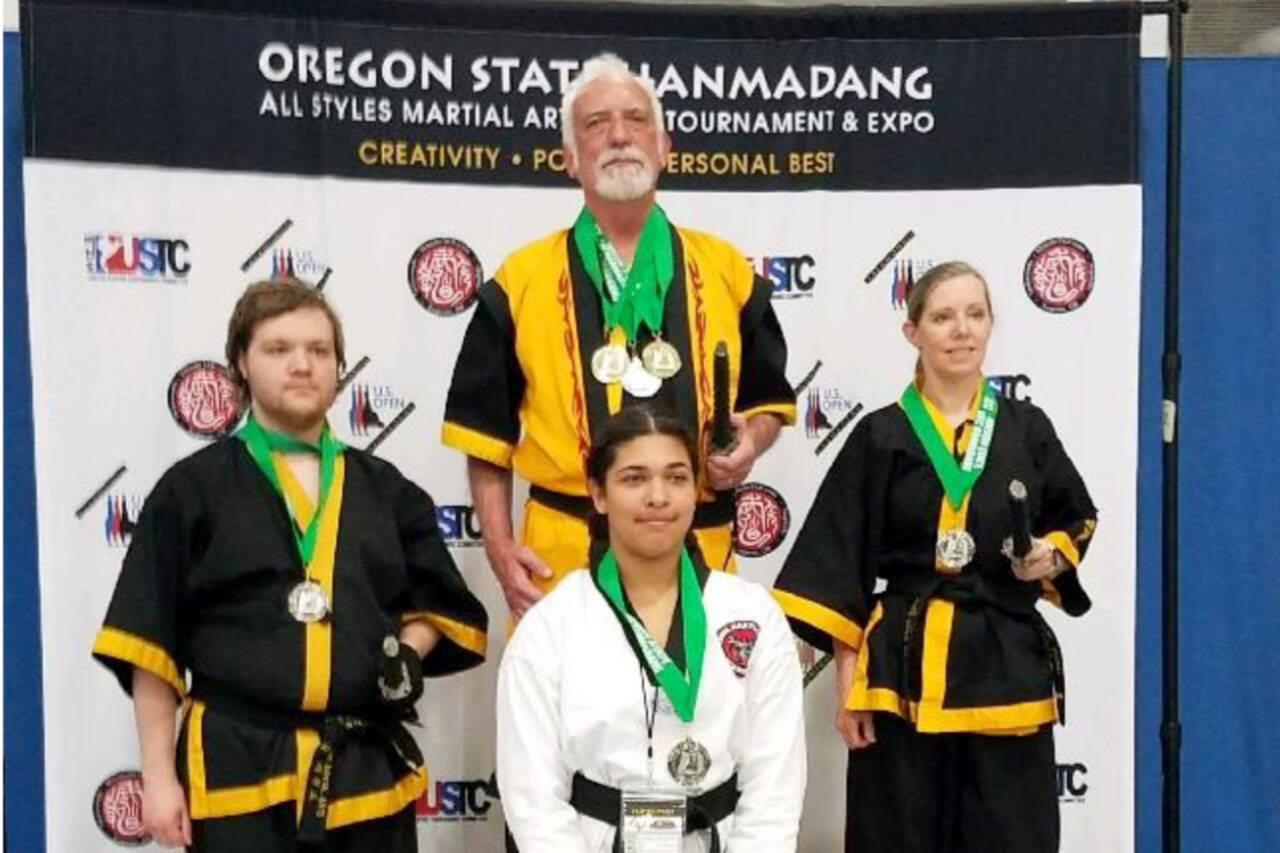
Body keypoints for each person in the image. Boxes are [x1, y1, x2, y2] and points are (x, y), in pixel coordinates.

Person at [92, 278, 489, 852]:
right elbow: (149, 645)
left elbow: (437, 605)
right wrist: (157, 779)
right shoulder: (192, 490)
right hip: (235, 771)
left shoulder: (388, 492)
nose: (302, 365)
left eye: (319, 350)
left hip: (364, 773)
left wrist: (410, 649)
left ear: (339, 367)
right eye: (279, 349)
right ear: (241, 365)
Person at [442, 52, 794, 620]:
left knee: (700, 708)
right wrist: (499, 547)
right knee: (567, 708)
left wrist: (752, 440)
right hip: (563, 553)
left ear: (664, 147)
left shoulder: (727, 270)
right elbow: (485, 434)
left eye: (636, 120)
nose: (619, 136)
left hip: (698, 547)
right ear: (570, 159)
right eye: (596, 123)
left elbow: (768, 401)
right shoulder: (520, 281)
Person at [773, 261, 1097, 852]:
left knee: (1012, 837)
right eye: (943, 316)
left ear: (991, 324)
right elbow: (837, 557)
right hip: (901, 672)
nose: (961, 330)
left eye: (975, 314)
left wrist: (1050, 556)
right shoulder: (881, 436)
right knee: (897, 836)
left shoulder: (1028, 429)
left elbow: (1075, 518)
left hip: (1007, 669)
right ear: (912, 332)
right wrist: (850, 678)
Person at [496, 404, 805, 852]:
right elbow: (533, 799)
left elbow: (775, 785)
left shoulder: (753, 616)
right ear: (598, 494)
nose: (658, 497)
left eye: (677, 477)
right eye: (634, 478)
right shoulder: (549, 627)